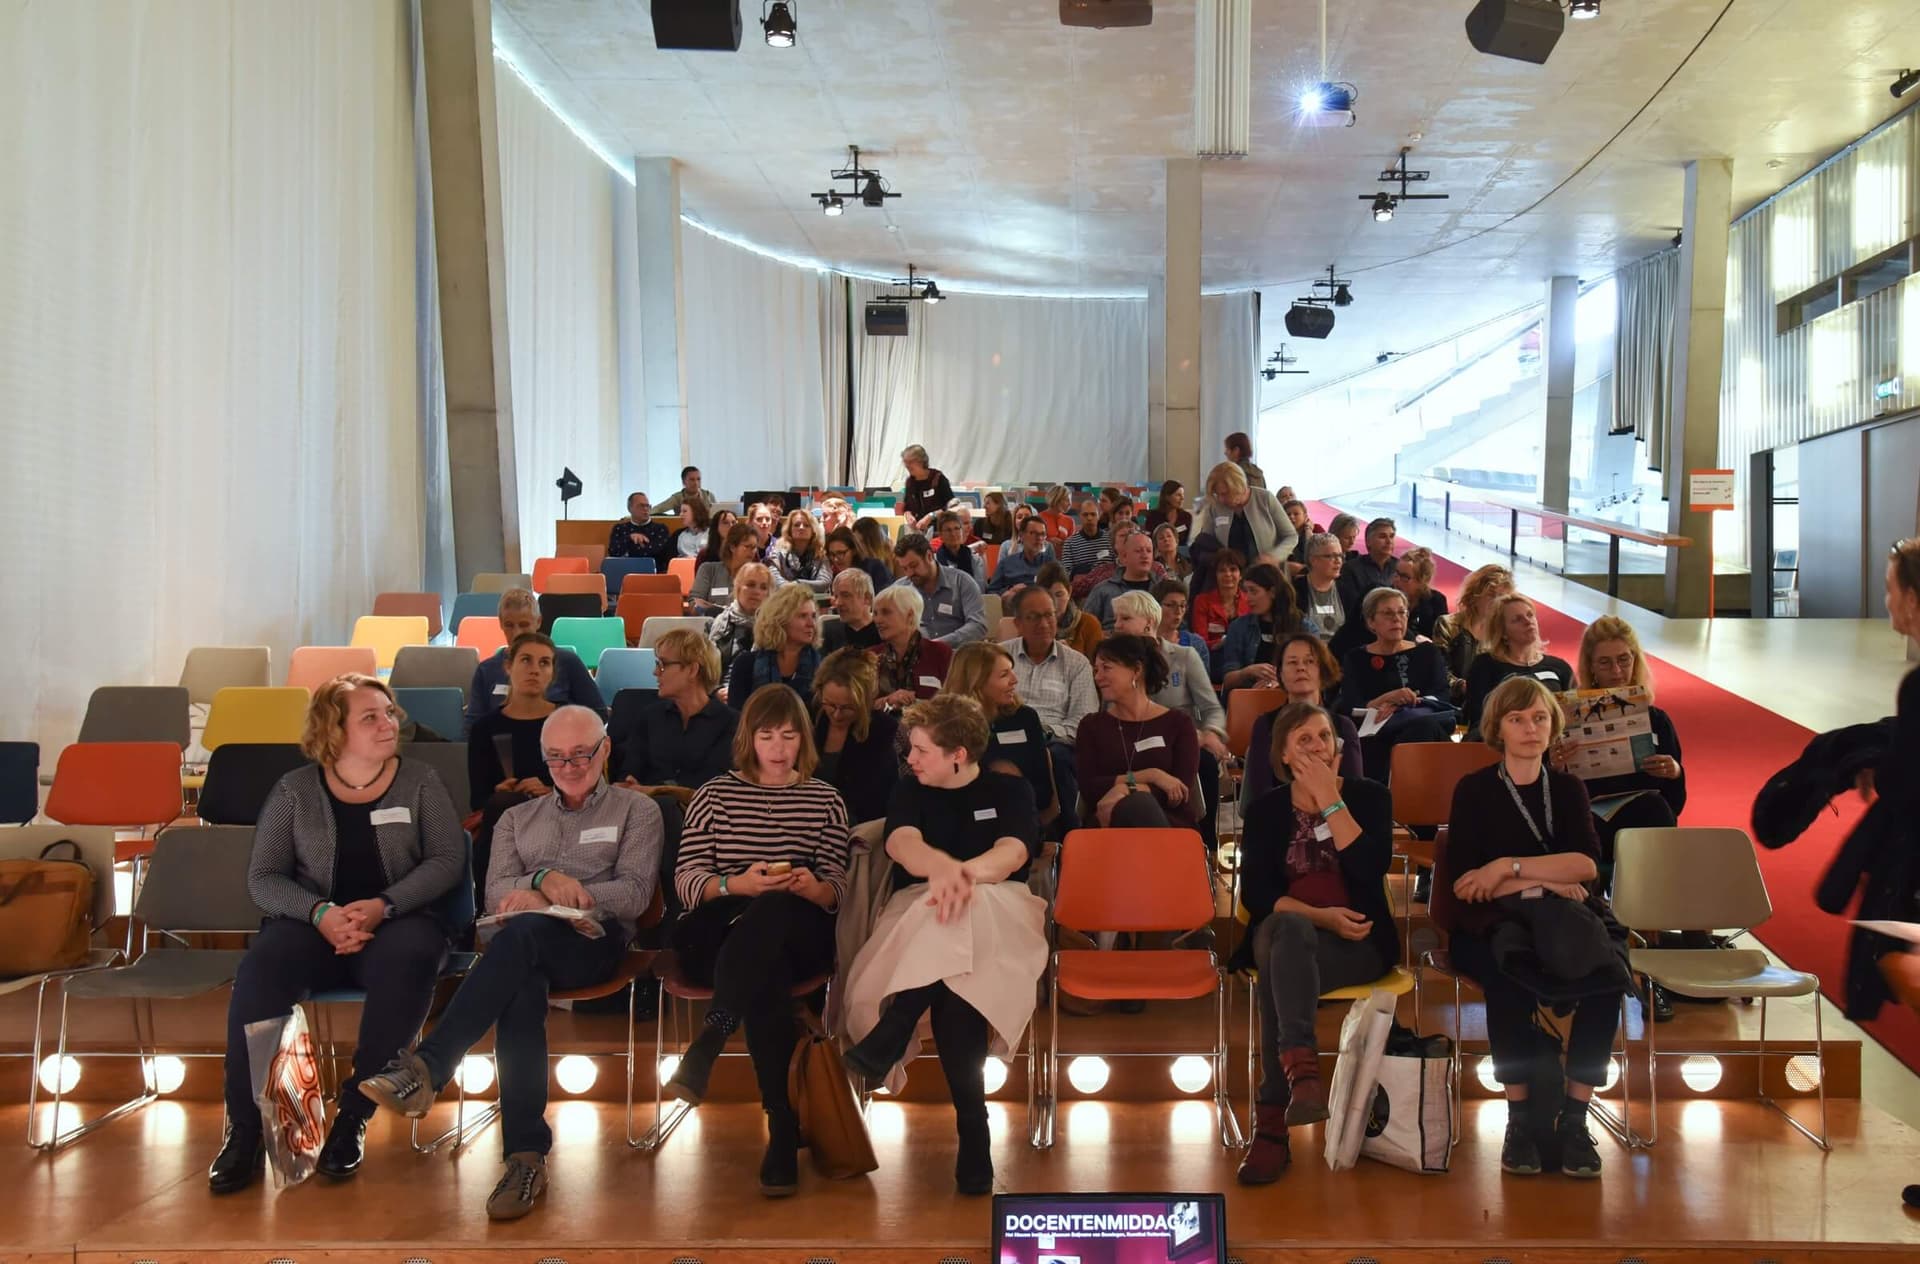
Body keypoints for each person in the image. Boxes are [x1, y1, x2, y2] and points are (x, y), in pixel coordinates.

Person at [359, 708, 660, 1221]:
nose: (569, 766)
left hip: (595, 943)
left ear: (605, 750)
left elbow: (633, 895)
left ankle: (431, 1067)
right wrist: (543, 879)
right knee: (520, 977)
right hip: (523, 947)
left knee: (520, 939)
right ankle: (525, 1157)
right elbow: (497, 892)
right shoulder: (517, 818)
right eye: (557, 758)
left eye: (582, 754)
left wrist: (568, 895)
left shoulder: (636, 811)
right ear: (544, 760)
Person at [210, 674, 463, 1194]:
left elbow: (445, 861)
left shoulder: (419, 780)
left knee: (412, 957)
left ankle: (353, 1117)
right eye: (370, 716)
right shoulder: (295, 789)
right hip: (312, 925)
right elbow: (264, 877)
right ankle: (245, 1128)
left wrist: (384, 905)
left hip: (398, 921)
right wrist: (321, 913)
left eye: (389, 712)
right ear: (334, 729)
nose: (387, 722)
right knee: (262, 969)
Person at [839, 695, 1048, 1196]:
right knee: (958, 987)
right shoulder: (911, 790)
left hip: (1002, 907)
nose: (910, 759)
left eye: (920, 750)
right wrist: (941, 871)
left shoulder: (1010, 791)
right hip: (920, 907)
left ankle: (897, 1023)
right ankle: (973, 1130)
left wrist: (962, 876)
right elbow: (901, 843)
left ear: (958, 753)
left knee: (969, 912)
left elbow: (1012, 853)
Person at [661, 686, 852, 1197]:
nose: (778, 747)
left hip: (798, 930)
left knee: (775, 913)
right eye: (767, 735)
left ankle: (712, 1039)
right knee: (762, 968)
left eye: (789, 736)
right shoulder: (714, 794)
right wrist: (736, 884)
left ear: (802, 740)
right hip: (721, 931)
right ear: (750, 738)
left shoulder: (824, 798)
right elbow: (686, 880)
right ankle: (782, 1132)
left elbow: (838, 886)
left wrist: (813, 887)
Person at [1432, 675, 1619, 1181]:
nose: (1530, 728)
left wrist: (1508, 869)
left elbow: (1587, 867)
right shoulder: (1474, 790)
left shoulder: (1568, 788)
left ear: (1552, 723)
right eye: (1517, 719)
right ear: (1499, 727)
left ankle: (1576, 1119)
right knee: (1507, 979)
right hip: (1493, 928)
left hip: (1566, 926)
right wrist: (1544, 879)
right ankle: (1518, 1118)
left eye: (1539, 717)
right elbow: (1469, 886)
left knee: (1608, 983)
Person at [1231, 702, 1395, 1184]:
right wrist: (1319, 916)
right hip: (1289, 929)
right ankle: (1300, 1076)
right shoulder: (1265, 810)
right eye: (1303, 739)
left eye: (1324, 736)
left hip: (1357, 942)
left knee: (1278, 979)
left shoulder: (1370, 797)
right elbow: (1258, 895)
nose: (1317, 746)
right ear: (1282, 754)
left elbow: (1370, 870)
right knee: (1290, 934)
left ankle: (1272, 1125)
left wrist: (1331, 800)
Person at [1112, 591, 1227, 848]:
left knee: (1205, 761)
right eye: (1116, 618)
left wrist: (1211, 733)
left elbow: (1212, 708)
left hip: (1182, 743)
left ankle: (1203, 845)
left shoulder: (1184, 657)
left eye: (1125, 618)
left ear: (1149, 624)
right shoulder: (1113, 663)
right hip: (1132, 741)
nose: (1117, 625)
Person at [468, 634, 560, 901]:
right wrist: (500, 790)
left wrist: (548, 790)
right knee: (503, 803)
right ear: (509, 666)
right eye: (526, 660)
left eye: (544, 663)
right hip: (505, 814)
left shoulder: (566, 719)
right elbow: (478, 798)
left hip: (560, 812)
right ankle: (489, 902)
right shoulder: (484, 728)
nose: (535, 669)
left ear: (552, 672)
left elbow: (588, 785)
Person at [1076, 635, 1201, 829]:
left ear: (1136, 670)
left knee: (1139, 804)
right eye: (1096, 670)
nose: (1097, 677)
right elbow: (1089, 788)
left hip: (1170, 823)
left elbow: (1179, 791)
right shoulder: (1091, 726)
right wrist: (1152, 775)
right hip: (1109, 823)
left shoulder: (1178, 724)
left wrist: (1125, 789)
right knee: (1137, 804)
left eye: (1106, 668)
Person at [1335, 587, 1456, 780]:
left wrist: (1407, 702)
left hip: (1423, 727)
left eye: (1402, 612)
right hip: (1377, 733)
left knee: (1423, 728)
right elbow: (1350, 705)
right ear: (1371, 622)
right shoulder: (1356, 658)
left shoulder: (1427, 652)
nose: (1396, 618)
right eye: (1388, 613)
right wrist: (1388, 698)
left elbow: (1442, 695)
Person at [1003, 583, 1096, 832]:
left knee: (1056, 758)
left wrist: (1043, 733)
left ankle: (1070, 836)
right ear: (1018, 624)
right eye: (1033, 617)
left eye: (1049, 615)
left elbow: (1083, 722)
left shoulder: (1077, 664)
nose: (1043, 624)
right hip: (1003, 735)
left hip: (1053, 741)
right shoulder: (999, 657)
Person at [1241, 633, 1365, 808]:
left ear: (1322, 671)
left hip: (1336, 813)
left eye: (1309, 662)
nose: (1301, 668)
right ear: (1280, 674)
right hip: (1280, 817)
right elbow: (1261, 792)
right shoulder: (1266, 725)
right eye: (1292, 662)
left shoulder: (1343, 726)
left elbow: (1355, 790)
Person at [464, 589, 606, 734]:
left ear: (538, 622)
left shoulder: (567, 662)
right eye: (509, 625)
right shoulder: (487, 669)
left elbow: (598, 713)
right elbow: (473, 726)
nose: (517, 633)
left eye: (524, 625)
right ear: (500, 623)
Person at [944, 641, 1053, 818]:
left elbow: (1044, 796)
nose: (1015, 680)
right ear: (977, 682)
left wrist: (1017, 786)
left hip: (1019, 815)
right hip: (962, 820)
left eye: (1012, 670)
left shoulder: (1025, 718)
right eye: (1004, 675)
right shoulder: (946, 723)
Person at [619, 629, 736, 790]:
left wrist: (658, 791)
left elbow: (714, 787)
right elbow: (630, 774)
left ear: (692, 670)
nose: (655, 672)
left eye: (662, 664)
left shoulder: (731, 723)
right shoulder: (650, 717)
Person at [1463, 593, 1574, 738]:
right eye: (1517, 620)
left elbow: (1573, 716)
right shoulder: (1485, 665)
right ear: (1502, 632)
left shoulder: (1560, 668)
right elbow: (1479, 719)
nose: (1528, 622)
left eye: (1530, 615)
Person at [811, 647, 901, 824]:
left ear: (866, 701)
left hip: (855, 824)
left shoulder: (882, 729)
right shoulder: (809, 714)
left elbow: (871, 801)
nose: (836, 715)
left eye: (848, 708)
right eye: (829, 704)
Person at [1221, 563, 1316, 692]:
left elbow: (1314, 673)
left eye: (1253, 591)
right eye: (1246, 591)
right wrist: (1247, 672)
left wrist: (1281, 682)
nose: (1248, 598)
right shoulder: (1239, 627)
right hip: (1251, 698)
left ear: (1272, 592)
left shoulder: (1304, 627)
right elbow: (1227, 680)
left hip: (1292, 697)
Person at [1191, 460, 1295, 573]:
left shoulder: (1265, 499)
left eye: (1225, 493)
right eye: (1217, 494)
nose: (1220, 499)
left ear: (1239, 487)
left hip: (1268, 575)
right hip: (1231, 577)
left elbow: (1291, 536)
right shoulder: (1215, 507)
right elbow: (1206, 541)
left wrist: (1274, 556)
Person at [726, 582, 822, 703]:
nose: (811, 624)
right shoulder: (746, 664)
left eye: (813, 616)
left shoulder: (823, 668)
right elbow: (737, 716)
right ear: (780, 620)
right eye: (802, 616)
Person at [1433, 564, 1514, 704]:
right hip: (1453, 700)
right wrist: (1460, 685)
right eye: (1491, 595)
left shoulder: (1504, 632)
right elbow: (1439, 668)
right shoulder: (1448, 624)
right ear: (1475, 595)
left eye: (1501, 597)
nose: (1496, 602)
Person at [892, 531, 987, 645]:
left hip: (956, 655)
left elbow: (978, 626)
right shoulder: (899, 590)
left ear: (929, 556)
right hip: (916, 657)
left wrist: (938, 645)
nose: (909, 573)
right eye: (905, 568)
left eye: (913, 566)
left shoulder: (962, 582)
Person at [870, 583, 954, 705]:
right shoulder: (870, 656)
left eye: (886, 612)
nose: (877, 620)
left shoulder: (941, 653)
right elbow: (860, 707)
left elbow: (954, 702)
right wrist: (887, 701)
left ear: (909, 615)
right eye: (875, 613)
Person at [1085, 529, 1161, 630]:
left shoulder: (1163, 589)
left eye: (1148, 551)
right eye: (1138, 551)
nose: (1144, 555)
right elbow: (1086, 629)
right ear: (1124, 557)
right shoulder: (1102, 591)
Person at [710, 562, 775, 678]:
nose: (757, 592)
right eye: (750, 585)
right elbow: (708, 670)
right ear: (738, 588)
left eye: (763, 587)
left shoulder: (775, 626)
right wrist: (717, 690)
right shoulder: (721, 622)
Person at [1073, 520, 1162, 601]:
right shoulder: (1103, 571)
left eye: (1133, 533)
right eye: (1123, 535)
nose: (1128, 537)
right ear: (1114, 543)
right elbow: (1074, 590)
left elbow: (1169, 591)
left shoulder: (1156, 568)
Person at [692, 521, 766, 614]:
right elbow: (694, 602)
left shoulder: (759, 576)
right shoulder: (708, 570)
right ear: (732, 547)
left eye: (754, 547)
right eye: (747, 546)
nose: (752, 551)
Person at [1292, 533, 1350, 651]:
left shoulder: (1347, 590)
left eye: (1340, 556)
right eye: (1331, 556)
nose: (1338, 561)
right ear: (1313, 560)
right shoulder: (1295, 590)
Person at [1189, 546, 1248, 655]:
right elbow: (1200, 642)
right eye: (1222, 570)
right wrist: (1224, 642)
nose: (1228, 574)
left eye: (1233, 569)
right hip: (1213, 657)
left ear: (1241, 575)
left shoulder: (1249, 602)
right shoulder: (1202, 601)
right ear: (1215, 575)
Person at [1040, 560, 1104, 658]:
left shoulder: (1089, 623)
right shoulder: (1031, 625)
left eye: (1059, 595)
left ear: (1069, 592)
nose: (1054, 603)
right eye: (1047, 596)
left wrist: (1073, 658)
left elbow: (1099, 669)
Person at [988, 512, 1054, 596]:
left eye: (1043, 534)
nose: (1039, 538)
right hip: (1013, 606)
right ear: (1021, 535)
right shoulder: (1006, 564)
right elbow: (991, 592)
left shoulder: (1051, 565)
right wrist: (1010, 590)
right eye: (1033, 533)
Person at [1392, 546, 1449, 640]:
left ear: (1421, 581)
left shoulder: (1436, 601)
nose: (1397, 580)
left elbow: (1441, 639)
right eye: (1397, 573)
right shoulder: (1386, 596)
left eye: (1405, 577)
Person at [822, 566, 882, 653]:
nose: (838, 603)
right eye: (836, 596)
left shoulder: (882, 631)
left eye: (846, 595)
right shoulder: (826, 630)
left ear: (867, 598)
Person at [771, 509, 831, 592]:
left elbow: (824, 583)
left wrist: (797, 583)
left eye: (806, 525)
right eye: (796, 525)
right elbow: (774, 579)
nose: (801, 528)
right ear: (789, 530)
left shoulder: (820, 554)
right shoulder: (777, 552)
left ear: (813, 530)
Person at [896, 444, 955, 529]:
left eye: (910, 462)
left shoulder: (938, 478)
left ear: (921, 461)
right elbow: (907, 507)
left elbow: (950, 506)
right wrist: (908, 515)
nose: (907, 465)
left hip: (939, 528)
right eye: (905, 462)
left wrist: (931, 516)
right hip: (917, 528)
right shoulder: (910, 482)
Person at [1152, 578, 1210, 659]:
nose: (1178, 611)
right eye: (1171, 605)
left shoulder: (1196, 644)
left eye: (1182, 606)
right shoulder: (1144, 643)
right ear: (1155, 606)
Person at [1342, 517, 1399, 599]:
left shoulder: (1399, 567)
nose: (1389, 541)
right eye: (1382, 536)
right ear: (1368, 541)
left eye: (1392, 536)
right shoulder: (1351, 569)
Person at [828, 524, 894, 593]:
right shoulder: (836, 574)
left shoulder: (875, 568)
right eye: (832, 554)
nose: (835, 559)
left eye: (841, 553)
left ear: (854, 550)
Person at [608, 492, 670, 565]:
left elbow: (658, 554)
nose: (646, 509)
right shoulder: (620, 529)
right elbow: (613, 552)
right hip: (624, 569)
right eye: (641, 506)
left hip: (653, 571)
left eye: (648, 506)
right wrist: (630, 538)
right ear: (630, 508)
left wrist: (629, 549)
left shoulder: (660, 529)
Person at [1056, 497, 1111, 578]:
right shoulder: (1069, 544)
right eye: (1085, 514)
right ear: (1080, 516)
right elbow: (1066, 574)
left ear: (1098, 515)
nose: (1089, 518)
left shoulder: (1110, 539)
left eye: (1093, 514)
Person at [933, 510, 987, 587]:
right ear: (940, 534)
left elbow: (980, 589)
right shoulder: (934, 562)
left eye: (957, 528)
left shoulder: (975, 560)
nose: (953, 534)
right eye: (948, 530)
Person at [851, 516, 898, 581]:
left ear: (873, 542)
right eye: (856, 542)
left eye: (862, 541)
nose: (858, 546)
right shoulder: (855, 557)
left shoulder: (895, 558)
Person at [1282, 500, 1313, 576]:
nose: (1291, 517)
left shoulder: (1313, 533)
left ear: (1305, 516)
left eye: (1296, 514)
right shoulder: (1280, 537)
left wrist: (1308, 529)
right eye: (1288, 514)